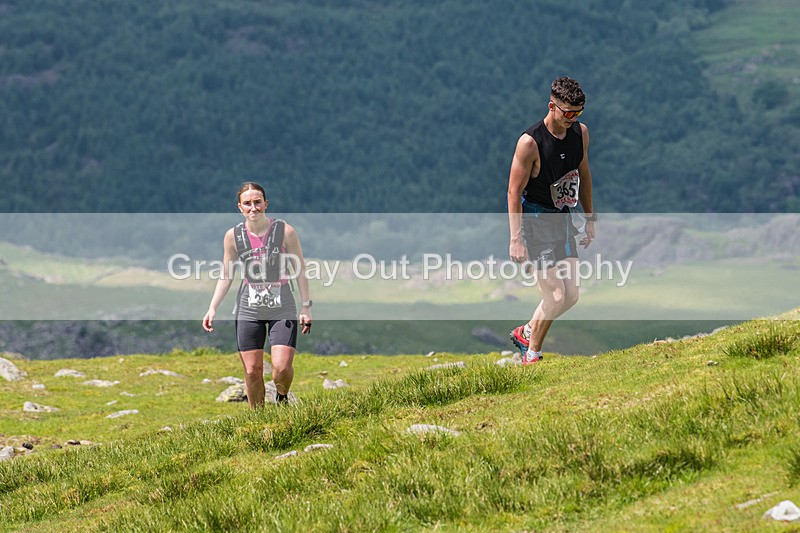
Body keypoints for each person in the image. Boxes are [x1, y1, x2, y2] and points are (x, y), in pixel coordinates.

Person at [507, 76, 596, 364]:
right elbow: (512, 191)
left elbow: (583, 173)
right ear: (552, 106)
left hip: (563, 220)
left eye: (578, 113)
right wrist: (516, 240)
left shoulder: (580, 133)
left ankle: (526, 332)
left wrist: (590, 216)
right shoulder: (529, 143)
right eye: (568, 113)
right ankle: (532, 354)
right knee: (555, 296)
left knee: (571, 296)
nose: (573, 119)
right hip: (536, 223)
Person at [202, 182, 312, 407]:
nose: (253, 208)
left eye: (257, 202)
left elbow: (299, 269)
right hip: (249, 307)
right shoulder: (233, 236)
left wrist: (306, 306)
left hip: (282, 304)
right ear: (239, 207)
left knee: (280, 368)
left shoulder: (285, 231)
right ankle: (258, 420)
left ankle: (282, 399)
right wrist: (212, 307)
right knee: (252, 371)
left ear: (266, 204)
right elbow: (226, 274)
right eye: (247, 204)